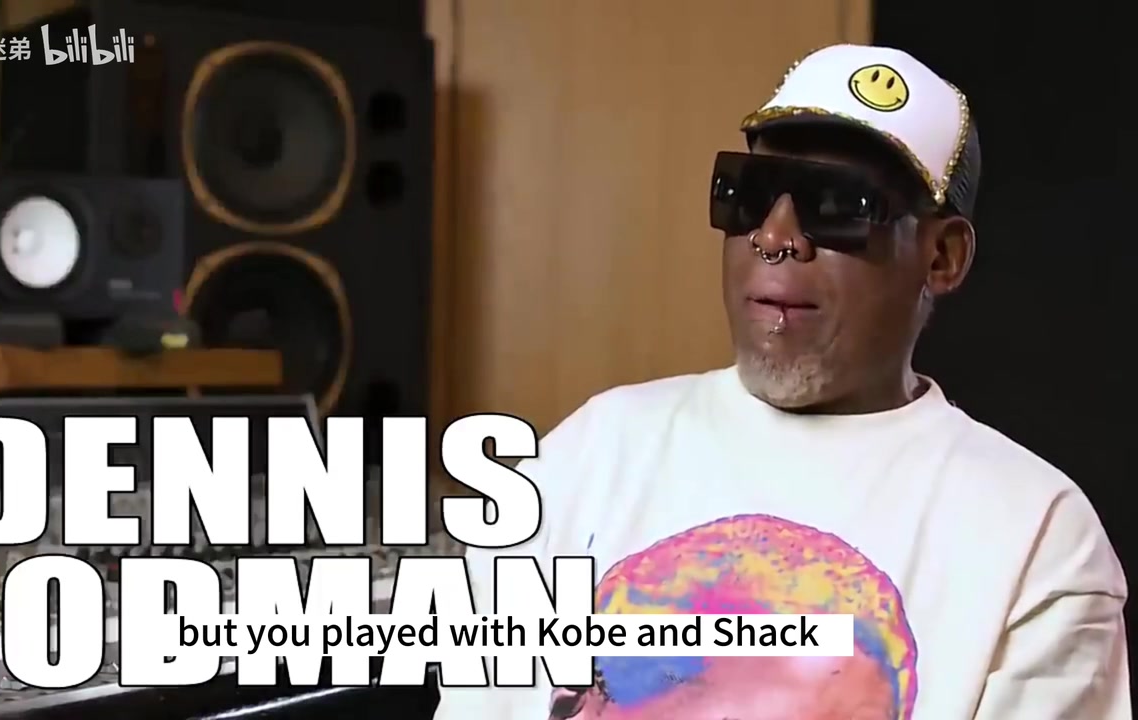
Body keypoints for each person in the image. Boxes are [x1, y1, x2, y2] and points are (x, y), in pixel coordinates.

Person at [432, 44, 1130, 720]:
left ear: (942, 256)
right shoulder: (590, 450)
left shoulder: (1036, 536)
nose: (775, 236)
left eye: (838, 205)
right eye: (752, 194)